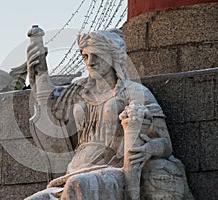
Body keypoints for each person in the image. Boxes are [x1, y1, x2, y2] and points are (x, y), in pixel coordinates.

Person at [26, 28, 194, 200]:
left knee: (78, 185)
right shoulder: (78, 91)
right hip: (75, 169)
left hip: (115, 170)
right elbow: (47, 99)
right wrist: (39, 69)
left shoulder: (134, 92)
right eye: (85, 56)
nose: (90, 62)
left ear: (113, 57)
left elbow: (165, 143)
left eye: (97, 55)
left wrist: (148, 149)